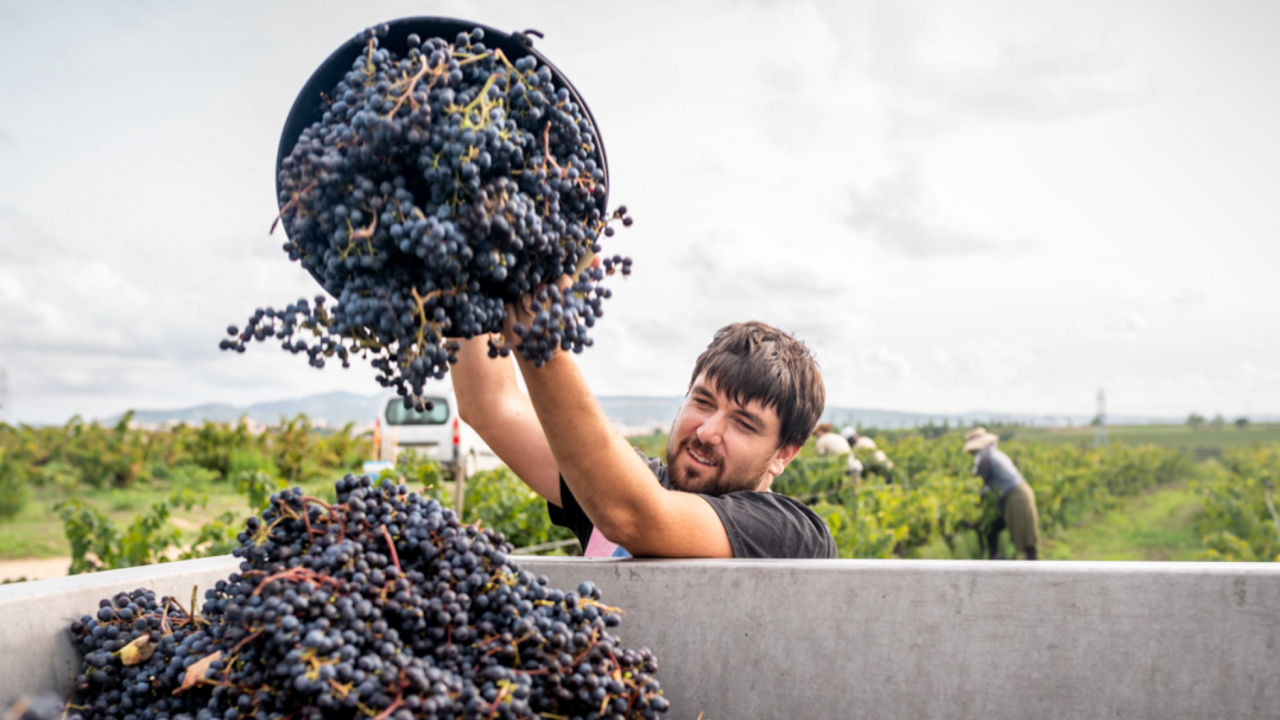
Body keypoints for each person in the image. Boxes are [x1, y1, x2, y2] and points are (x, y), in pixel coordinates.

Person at [451, 318, 837, 559]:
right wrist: (472, 276)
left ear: (782, 454)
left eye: (744, 424)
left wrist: (538, 330)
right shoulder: (614, 484)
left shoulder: (793, 535)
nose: (707, 432)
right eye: (702, 402)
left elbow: (634, 517)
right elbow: (491, 404)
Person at [963, 427, 1040, 560]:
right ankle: (997, 561)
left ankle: (1032, 570)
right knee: (994, 530)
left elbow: (980, 485)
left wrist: (972, 511)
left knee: (1025, 537)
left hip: (1017, 497)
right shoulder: (993, 454)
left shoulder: (985, 458)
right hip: (1018, 494)